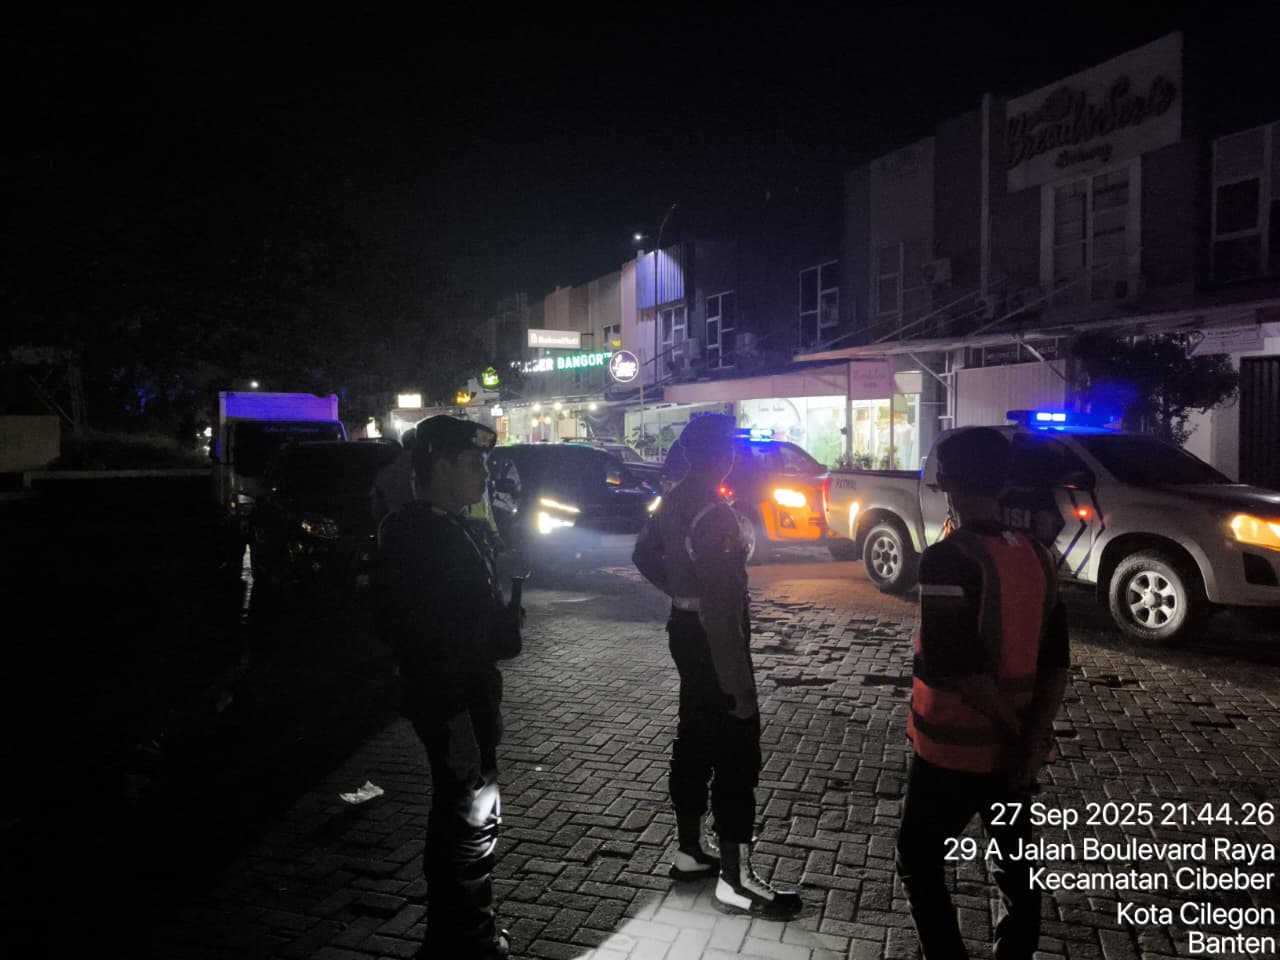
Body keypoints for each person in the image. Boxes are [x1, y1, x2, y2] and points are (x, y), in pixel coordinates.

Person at [896, 427, 1070, 960]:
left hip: (952, 751)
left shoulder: (947, 559)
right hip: (1013, 756)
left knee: (919, 858)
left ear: (947, 485)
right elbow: (1055, 662)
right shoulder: (1038, 556)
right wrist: (1031, 740)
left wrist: (1019, 737)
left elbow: (957, 666)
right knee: (1016, 867)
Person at [632, 414, 801, 918]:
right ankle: (736, 879)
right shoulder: (714, 512)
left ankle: (689, 852)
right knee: (735, 752)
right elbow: (723, 608)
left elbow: (643, 555)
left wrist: (679, 591)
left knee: (693, 737)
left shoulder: (671, 501)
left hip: (684, 631)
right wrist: (739, 687)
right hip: (714, 639)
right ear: (723, 455)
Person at [374, 415, 522, 959]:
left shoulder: (444, 527)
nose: (484, 473)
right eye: (473, 463)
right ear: (439, 466)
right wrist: (457, 719)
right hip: (453, 700)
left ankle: (459, 933)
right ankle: (465, 940)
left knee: (465, 813)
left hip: (466, 693)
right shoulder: (420, 537)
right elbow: (425, 640)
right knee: (468, 819)